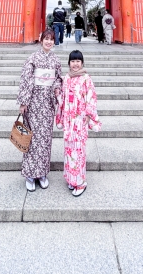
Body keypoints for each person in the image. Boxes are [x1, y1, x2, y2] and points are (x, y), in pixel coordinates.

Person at [17, 29, 63, 192]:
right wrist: (23, 101)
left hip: (48, 103)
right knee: (32, 139)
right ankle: (30, 174)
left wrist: (57, 89)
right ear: (40, 39)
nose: (49, 42)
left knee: (45, 139)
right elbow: (26, 79)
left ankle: (42, 173)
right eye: (46, 39)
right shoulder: (33, 58)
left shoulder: (56, 60)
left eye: (51, 39)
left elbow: (58, 79)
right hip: (34, 102)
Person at [56, 50, 99, 197]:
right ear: (69, 63)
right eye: (73, 61)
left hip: (80, 120)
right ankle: (71, 178)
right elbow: (62, 97)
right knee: (69, 150)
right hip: (69, 120)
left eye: (78, 61)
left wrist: (88, 114)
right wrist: (57, 94)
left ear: (82, 63)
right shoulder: (66, 78)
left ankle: (80, 181)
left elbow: (91, 97)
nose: (75, 64)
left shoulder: (86, 78)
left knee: (78, 151)